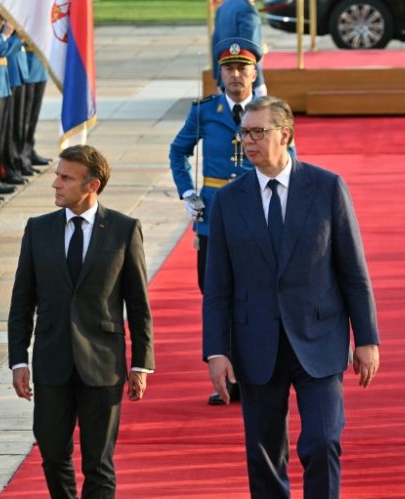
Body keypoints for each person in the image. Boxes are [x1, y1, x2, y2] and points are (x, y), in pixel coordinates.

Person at [202, 95, 380, 498]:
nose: (248, 141)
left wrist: (366, 338)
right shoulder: (228, 200)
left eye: (258, 133)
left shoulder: (327, 187)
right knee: (264, 454)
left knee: (322, 442)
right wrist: (216, 350)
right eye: (244, 133)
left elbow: (354, 271)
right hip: (255, 345)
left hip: (319, 340)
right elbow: (217, 287)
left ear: (285, 135)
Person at [8, 144, 155, 499]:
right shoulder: (38, 229)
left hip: (103, 364)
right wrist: (18, 360)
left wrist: (141, 365)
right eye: (57, 176)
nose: (55, 184)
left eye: (65, 178)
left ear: (93, 185)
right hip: (51, 361)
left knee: (98, 464)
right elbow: (22, 302)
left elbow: (138, 304)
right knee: (53, 453)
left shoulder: (123, 229)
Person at [169, 37, 264, 405]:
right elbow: (178, 152)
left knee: (255, 297)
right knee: (215, 295)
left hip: (257, 216)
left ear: (255, 72)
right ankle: (227, 375)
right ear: (219, 75)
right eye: (229, 68)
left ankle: (257, 373)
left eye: (243, 68)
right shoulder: (205, 111)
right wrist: (186, 192)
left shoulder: (268, 111)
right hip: (214, 217)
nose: (236, 75)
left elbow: (289, 158)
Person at [211, 0, 267, 96]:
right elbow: (250, 48)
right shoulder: (247, 9)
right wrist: (258, 83)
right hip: (243, 80)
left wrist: (218, 76)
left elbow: (215, 42)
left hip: (225, 76)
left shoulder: (223, 7)